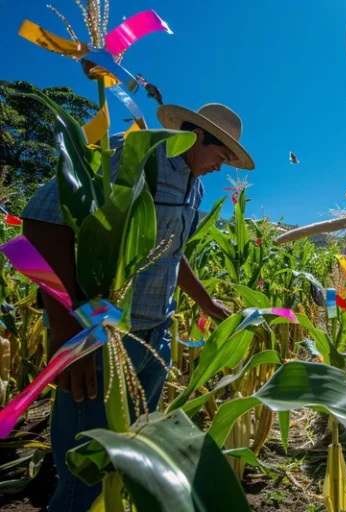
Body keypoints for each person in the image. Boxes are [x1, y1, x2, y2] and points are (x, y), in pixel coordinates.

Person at [21, 103, 256, 511]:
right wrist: (66, 334)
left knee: (128, 457)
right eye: (223, 155)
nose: (223, 166)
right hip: (99, 337)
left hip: (154, 340)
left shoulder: (194, 186)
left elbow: (170, 249)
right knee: (85, 477)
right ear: (201, 136)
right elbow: (38, 227)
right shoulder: (132, 155)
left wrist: (206, 301)